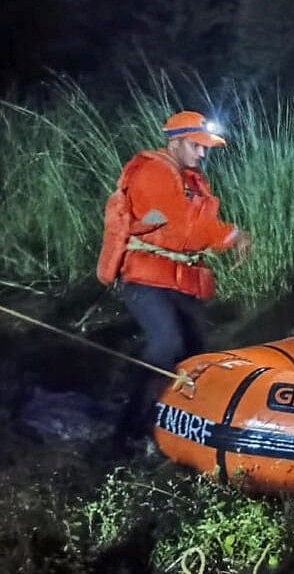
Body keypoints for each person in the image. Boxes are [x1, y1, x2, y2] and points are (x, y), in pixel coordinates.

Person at [96, 111, 251, 450]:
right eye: (196, 146)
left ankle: (174, 428)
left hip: (179, 279)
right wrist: (232, 235)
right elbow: (186, 230)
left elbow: (190, 227)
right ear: (176, 142)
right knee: (167, 345)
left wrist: (227, 235)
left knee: (195, 354)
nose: (202, 154)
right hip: (146, 277)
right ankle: (125, 434)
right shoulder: (153, 173)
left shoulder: (190, 179)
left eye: (205, 147)